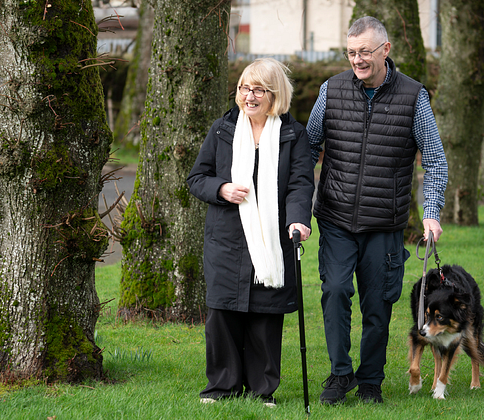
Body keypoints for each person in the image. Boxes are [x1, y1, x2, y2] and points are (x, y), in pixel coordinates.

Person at [306, 16, 448, 405]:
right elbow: (307, 148)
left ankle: (370, 380)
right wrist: (299, 208)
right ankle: (339, 375)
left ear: (385, 50)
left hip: (384, 223)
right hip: (335, 217)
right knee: (334, 291)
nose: (357, 60)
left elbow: (434, 161)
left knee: (377, 303)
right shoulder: (331, 90)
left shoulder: (413, 96)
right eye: (351, 52)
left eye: (365, 52)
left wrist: (431, 211)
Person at [187, 57, 315, 407]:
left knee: (264, 314)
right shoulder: (223, 129)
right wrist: (222, 189)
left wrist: (298, 219)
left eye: (258, 89)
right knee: (224, 313)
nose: (249, 96)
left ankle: (262, 390)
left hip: (272, 240)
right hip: (226, 237)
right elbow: (196, 179)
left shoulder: (293, 135)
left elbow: (300, 185)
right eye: (244, 88)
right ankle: (222, 387)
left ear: (275, 95)